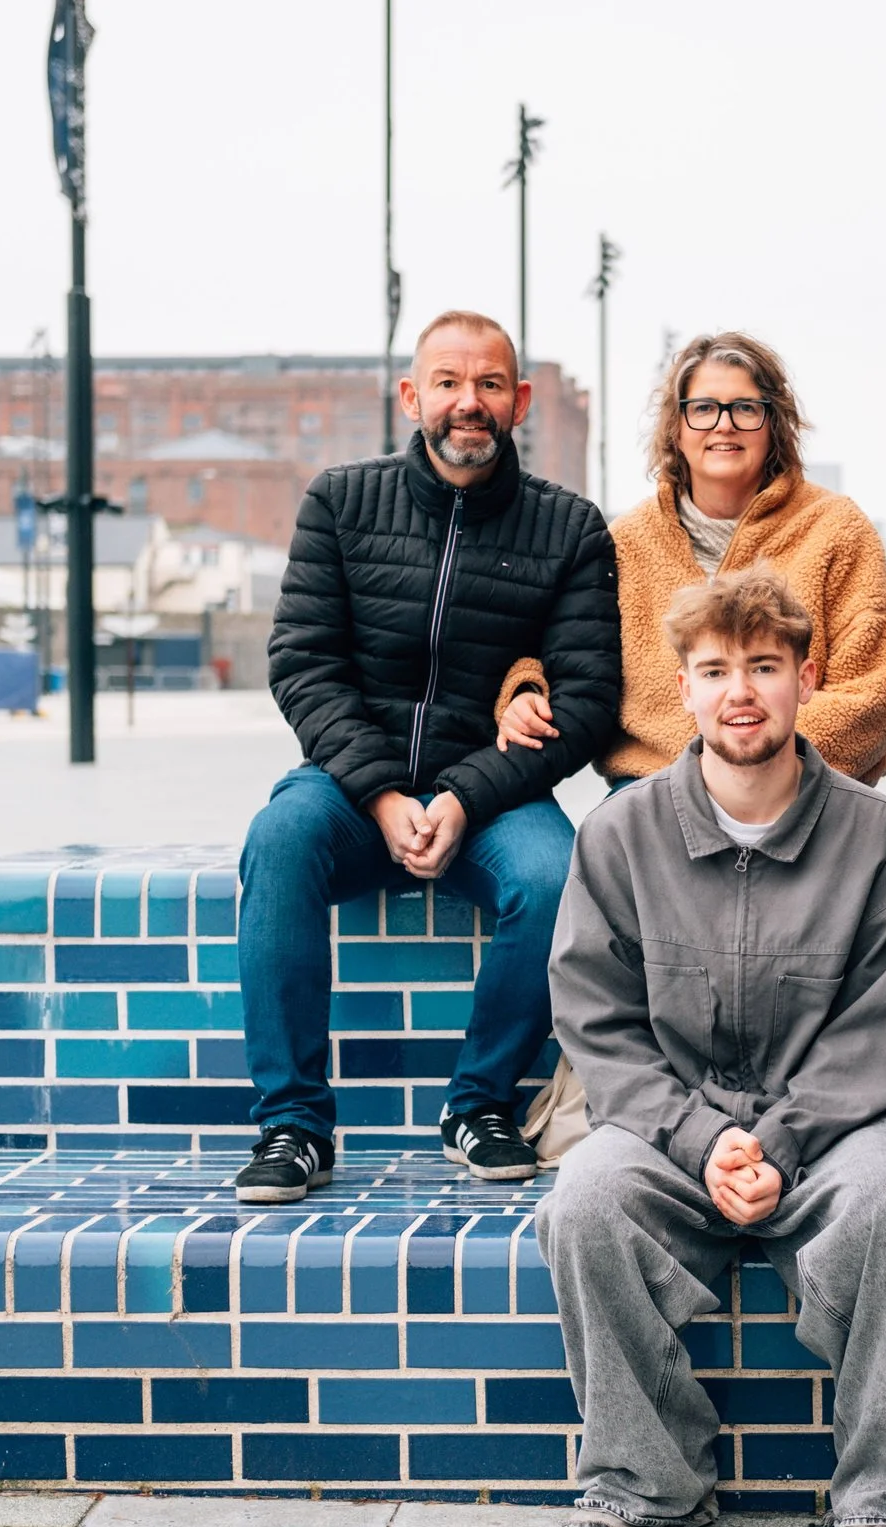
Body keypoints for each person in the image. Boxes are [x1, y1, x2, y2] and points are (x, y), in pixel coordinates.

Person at [535, 568, 886, 1527]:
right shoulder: (621, 830)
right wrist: (699, 1136)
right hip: (669, 1127)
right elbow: (594, 1013)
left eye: (763, 666)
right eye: (716, 668)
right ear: (681, 687)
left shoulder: (873, 834)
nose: (740, 690)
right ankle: (646, 1476)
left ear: (805, 677)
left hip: (834, 1130)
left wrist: (775, 1140)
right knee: (583, 1200)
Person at [232, 310, 622, 1204]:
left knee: (559, 872)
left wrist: (459, 796)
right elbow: (302, 665)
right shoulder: (339, 500)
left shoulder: (569, 529)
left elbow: (588, 699)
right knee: (279, 841)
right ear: (412, 396)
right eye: (447, 382)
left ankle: (477, 1102)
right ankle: (293, 1123)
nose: (467, 403)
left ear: (518, 401)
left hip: (492, 798)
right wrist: (378, 796)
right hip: (348, 786)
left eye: (489, 384)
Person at [493, 331, 886, 785]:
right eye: (704, 409)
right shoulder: (625, 542)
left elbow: (874, 693)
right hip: (654, 790)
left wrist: (746, 763)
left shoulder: (837, 529)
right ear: (677, 428)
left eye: (746, 408)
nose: (723, 424)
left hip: (808, 786)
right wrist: (527, 690)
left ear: (774, 425)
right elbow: (560, 651)